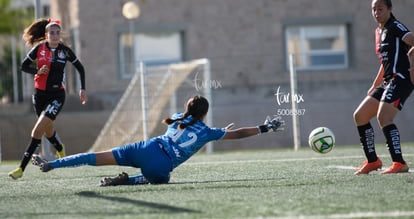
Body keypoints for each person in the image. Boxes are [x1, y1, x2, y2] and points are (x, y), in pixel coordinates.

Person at [32, 95, 283, 186]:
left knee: (93, 157)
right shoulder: (208, 131)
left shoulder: (176, 117)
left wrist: (216, 129)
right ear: (205, 113)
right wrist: (265, 127)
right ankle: (126, 182)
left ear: (187, 108)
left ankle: (51, 164)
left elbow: (189, 125)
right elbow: (237, 134)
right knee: (160, 179)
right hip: (160, 164)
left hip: (145, 147)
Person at [8, 18, 88, 180]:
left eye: (58, 33)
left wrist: (82, 89)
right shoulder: (39, 49)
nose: (55, 35)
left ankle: (20, 169)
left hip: (57, 95)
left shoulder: (65, 51)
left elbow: (80, 68)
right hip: (39, 95)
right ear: (46, 35)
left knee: (37, 131)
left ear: (60, 35)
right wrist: (38, 70)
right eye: (52, 33)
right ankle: (60, 147)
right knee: (47, 129)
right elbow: (24, 66)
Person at [353, 0, 414, 175]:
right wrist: (375, 85)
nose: (377, 13)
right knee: (360, 116)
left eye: (380, 9)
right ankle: (373, 161)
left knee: (384, 117)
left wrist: (412, 67)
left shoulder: (395, 26)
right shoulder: (378, 32)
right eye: (374, 9)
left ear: (389, 9)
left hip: (401, 79)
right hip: (387, 80)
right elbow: (385, 62)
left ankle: (399, 162)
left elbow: (412, 40)